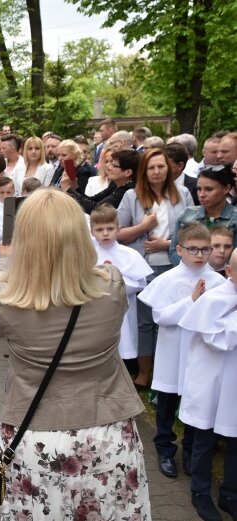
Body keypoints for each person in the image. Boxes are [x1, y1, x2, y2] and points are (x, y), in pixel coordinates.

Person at [0, 189, 150, 520]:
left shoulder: (8, 298)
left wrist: (6, 260)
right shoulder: (111, 285)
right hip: (108, 431)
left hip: (35, 434)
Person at [138, 223, 225, 483]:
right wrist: (191, 301)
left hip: (200, 355)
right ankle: (165, 448)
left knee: (193, 403)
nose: (200, 255)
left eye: (205, 249)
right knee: (166, 403)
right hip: (172, 352)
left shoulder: (218, 282)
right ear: (179, 250)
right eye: (193, 249)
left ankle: (189, 450)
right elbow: (161, 317)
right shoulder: (168, 279)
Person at [117, 147, 193, 389]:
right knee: (145, 322)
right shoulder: (132, 196)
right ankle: (144, 373)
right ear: (144, 171)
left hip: (175, 267)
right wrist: (144, 226)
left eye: (161, 166)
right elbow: (119, 234)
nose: (157, 171)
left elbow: (193, 233)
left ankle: (167, 376)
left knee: (171, 323)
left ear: (169, 169)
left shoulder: (182, 194)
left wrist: (166, 244)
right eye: (151, 167)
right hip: (145, 268)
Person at [178, 249, 237, 520]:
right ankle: (200, 492)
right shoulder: (214, 299)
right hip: (212, 382)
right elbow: (219, 338)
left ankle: (230, 493)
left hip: (234, 384)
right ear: (230, 271)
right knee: (205, 438)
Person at [90, 205, 152, 361]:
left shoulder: (129, 254)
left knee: (123, 341)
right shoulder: (88, 255)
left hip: (123, 307)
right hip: (95, 307)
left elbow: (140, 283)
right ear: (92, 232)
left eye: (110, 228)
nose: (105, 233)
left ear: (118, 229)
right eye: (99, 229)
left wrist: (114, 279)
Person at [169, 165, 237, 265]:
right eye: (199, 189)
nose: (201, 194)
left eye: (209, 189)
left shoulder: (235, 219)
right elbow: (174, 251)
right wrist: (193, 270)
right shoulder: (187, 215)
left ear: (226, 188)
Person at [62, 149, 139, 214]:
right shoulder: (116, 184)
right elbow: (93, 200)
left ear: (128, 172)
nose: (109, 167)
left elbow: (97, 210)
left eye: (114, 165)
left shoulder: (128, 190)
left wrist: (68, 190)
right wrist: (75, 188)